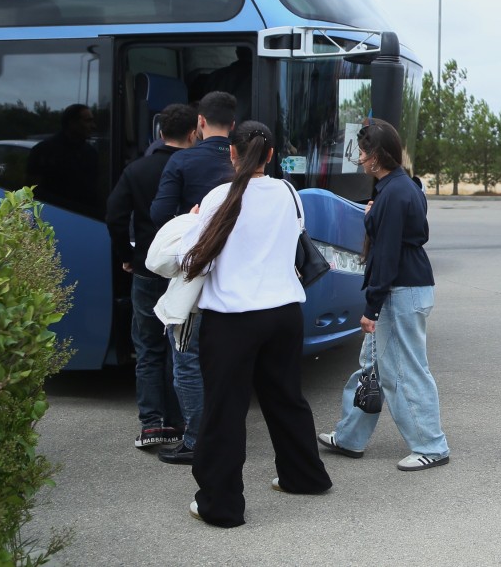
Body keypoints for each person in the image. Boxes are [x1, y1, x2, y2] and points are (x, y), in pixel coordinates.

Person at [177, 121, 332, 527]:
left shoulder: (218, 199)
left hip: (232, 320)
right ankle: (304, 476)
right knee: (286, 398)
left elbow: (197, 262)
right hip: (283, 314)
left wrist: (192, 223)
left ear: (231, 153)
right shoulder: (288, 192)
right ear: (270, 154)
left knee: (225, 411)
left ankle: (221, 505)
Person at [319, 119, 450, 471]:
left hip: (399, 291)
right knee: (372, 368)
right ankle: (350, 437)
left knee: (404, 371)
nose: (359, 158)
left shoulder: (392, 193)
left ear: (376, 156)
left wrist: (371, 308)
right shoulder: (403, 188)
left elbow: (388, 254)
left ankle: (431, 445)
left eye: (362, 152)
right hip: (409, 287)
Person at [150, 90, 238, 466]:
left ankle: (196, 438)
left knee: (187, 360)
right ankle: (225, 431)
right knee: (226, 361)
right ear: (232, 126)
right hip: (237, 281)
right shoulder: (246, 166)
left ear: (199, 123)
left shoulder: (182, 162)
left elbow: (159, 214)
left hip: (196, 281)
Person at [105, 102, 197, 451]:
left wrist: (127, 257)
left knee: (147, 349)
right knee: (181, 346)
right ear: (194, 133)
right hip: (185, 272)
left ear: (160, 133)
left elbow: (114, 216)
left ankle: (151, 425)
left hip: (145, 269)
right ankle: (181, 420)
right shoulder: (196, 168)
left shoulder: (137, 169)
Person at [26, 103, 100, 214]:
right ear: (72, 123)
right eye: (88, 121)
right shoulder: (44, 151)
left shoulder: (91, 153)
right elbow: (31, 191)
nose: (93, 126)